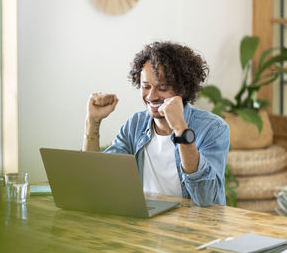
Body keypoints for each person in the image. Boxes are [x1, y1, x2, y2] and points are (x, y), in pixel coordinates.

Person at [82, 41, 230, 206]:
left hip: (197, 226)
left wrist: (181, 129)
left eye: (163, 87)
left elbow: (206, 198)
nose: (151, 96)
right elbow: (97, 179)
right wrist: (92, 122)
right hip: (147, 225)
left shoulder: (213, 128)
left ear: (183, 89)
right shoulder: (135, 125)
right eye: (146, 86)